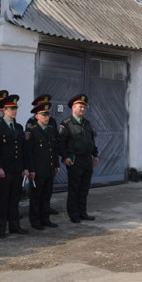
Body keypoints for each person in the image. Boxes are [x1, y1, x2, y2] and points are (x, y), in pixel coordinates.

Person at [0, 94, 29, 237]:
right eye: (11, 109)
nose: (14, 111)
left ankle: (15, 226)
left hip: (17, 169)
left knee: (14, 199)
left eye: (15, 108)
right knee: (2, 200)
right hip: (4, 170)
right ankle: (1, 229)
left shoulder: (18, 127)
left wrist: (25, 167)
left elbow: (22, 149)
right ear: (4, 110)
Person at [58, 94, 98, 224]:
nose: (82, 109)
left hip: (87, 160)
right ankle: (73, 214)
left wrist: (95, 155)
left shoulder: (87, 123)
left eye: (84, 107)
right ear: (73, 107)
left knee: (84, 188)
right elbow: (60, 143)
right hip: (74, 160)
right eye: (80, 107)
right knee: (74, 188)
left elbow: (91, 140)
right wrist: (64, 157)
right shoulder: (66, 124)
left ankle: (83, 212)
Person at [25, 101, 60, 230]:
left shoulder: (50, 130)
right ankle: (35, 220)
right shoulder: (31, 131)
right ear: (37, 116)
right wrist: (31, 170)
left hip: (49, 169)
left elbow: (54, 149)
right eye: (44, 115)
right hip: (38, 171)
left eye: (48, 115)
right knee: (36, 197)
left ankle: (45, 218)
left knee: (47, 196)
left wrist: (56, 164)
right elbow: (29, 153)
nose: (47, 117)